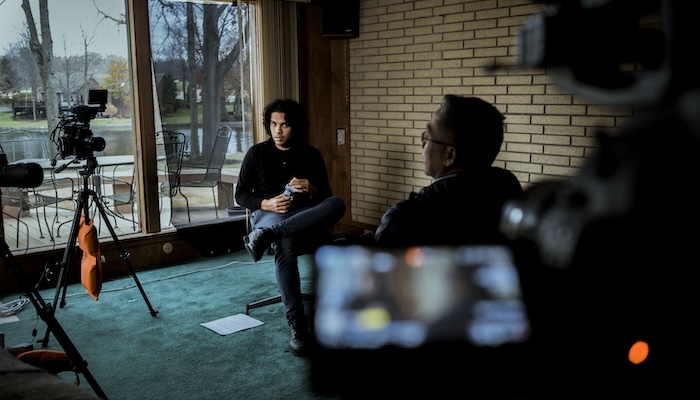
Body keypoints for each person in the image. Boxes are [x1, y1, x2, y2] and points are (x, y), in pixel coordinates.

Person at [235, 98, 346, 356]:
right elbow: (240, 195)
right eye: (273, 124)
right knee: (287, 244)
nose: (277, 130)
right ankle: (297, 324)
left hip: (303, 215)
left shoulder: (311, 154)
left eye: (284, 125)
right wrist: (266, 202)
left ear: (294, 127)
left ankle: (267, 236)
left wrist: (313, 188)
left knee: (337, 203)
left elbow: (326, 196)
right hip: (271, 215)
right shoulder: (256, 154)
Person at [374, 95, 522, 247]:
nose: (422, 143)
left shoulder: (403, 220)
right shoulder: (510, 189)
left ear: (449, 155)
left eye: (428, 136)